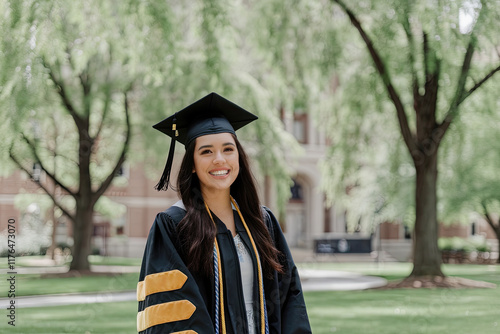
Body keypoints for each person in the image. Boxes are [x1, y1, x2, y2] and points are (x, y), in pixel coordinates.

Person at [137, 92, 311, 334]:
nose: (219, 159)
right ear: (193, 165)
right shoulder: (174, 225)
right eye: (206, 152)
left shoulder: (262, 221)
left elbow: (290, 298)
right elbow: (173, 311)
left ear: (238, 157)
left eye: (228, 149)